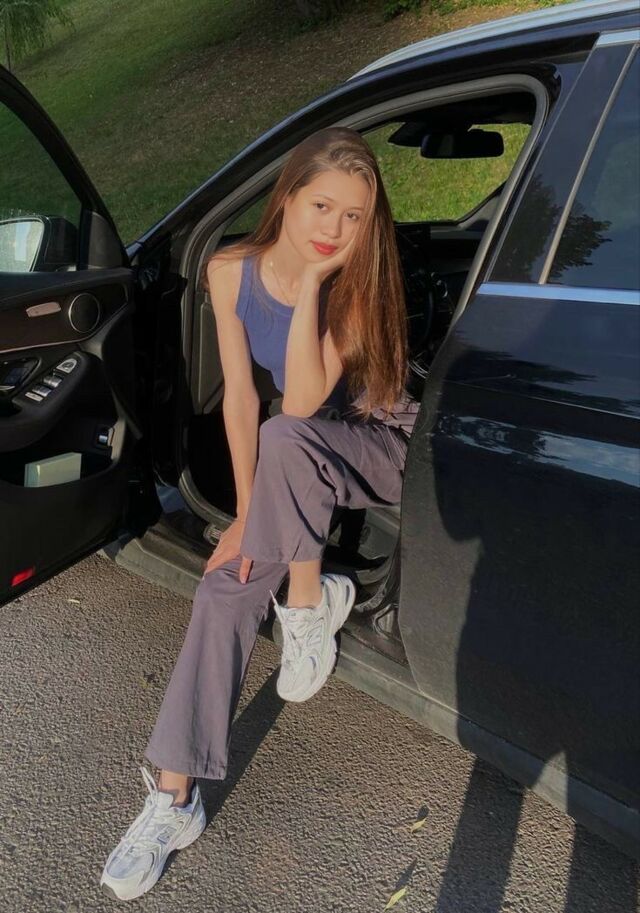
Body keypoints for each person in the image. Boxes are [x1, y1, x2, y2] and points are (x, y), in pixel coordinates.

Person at [100, 126, 420, 901]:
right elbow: (240, 396)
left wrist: (314, 283)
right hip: (299, 457)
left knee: (287, 433)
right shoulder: (228, 271)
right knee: (224, 586)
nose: (335, 228)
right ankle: (173, 798)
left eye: (354, 216)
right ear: (288, 195)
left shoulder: (350, 288)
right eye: (321, 206)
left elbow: (302, 402)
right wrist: (245, 516)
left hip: (383, 447)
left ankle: (308, 602)